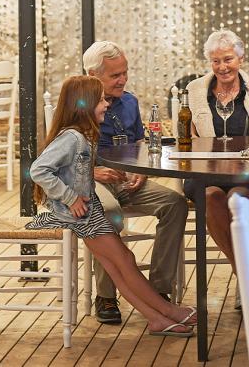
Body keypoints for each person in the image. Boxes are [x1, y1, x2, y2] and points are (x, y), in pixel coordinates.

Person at [27, 75, 197, 337]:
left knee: (120, 264)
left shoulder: (83, 135)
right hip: (82, 215)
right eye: (101, 100)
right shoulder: (72, 138)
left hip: (87, 212)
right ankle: (167, 312)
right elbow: (39, 170)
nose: (106, 104)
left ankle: (156, 318)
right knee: (124, 261)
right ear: (84, 105)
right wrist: (70, 198)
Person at [83, 41, 189, 324]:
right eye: (115, 75)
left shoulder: (129, 101)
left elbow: (140, 142)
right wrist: (92, 173)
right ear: (94, 76)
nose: (122, 80)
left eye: (124, 73)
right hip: (93, 180)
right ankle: (105, 296)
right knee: (106, 212)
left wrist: (142, 169)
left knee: (175, 204)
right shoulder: (78, 104)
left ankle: (157, 291)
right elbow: (56, 155)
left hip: (127, 178)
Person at [183, 29, 249, 275]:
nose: (222, 67)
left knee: (239, 199)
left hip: (245, 173)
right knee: (211, 196)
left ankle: (242, 277)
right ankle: (245, 272)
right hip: (204, 172)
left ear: (241, 59)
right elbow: (187, 139)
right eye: (216, 61)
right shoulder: (194, 92)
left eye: (228, 59)